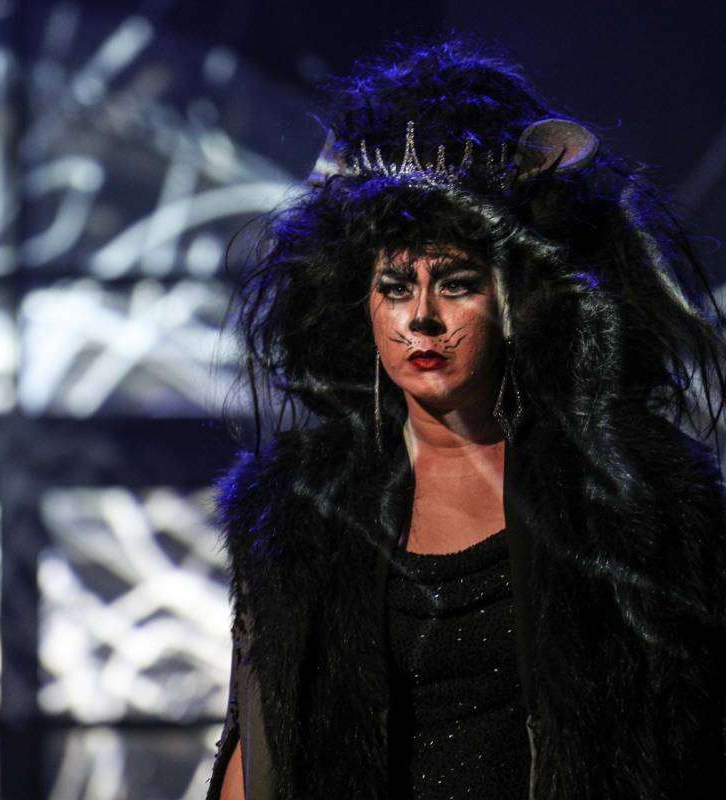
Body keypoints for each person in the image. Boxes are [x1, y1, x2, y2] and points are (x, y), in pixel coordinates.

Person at [206, 37, 726, 800]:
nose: (421, 317)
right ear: (358, 302)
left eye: (455, 283)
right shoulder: (293, 512)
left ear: (518, 301)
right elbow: (257, 748)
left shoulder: (641, 501)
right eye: (394, 287)